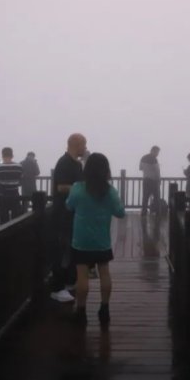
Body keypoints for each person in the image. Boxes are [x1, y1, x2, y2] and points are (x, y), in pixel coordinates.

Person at [66, 152, 125, 326]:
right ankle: (105, 309)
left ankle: (81, 311)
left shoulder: (78, 187)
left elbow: (69, 205)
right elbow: (120, 212)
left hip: (81, 240)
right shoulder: (109, 190)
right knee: (104, 272)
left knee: (82, 275)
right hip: (102, 241)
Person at [50, 133, 87, 303]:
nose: (85, 148)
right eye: (83, 145)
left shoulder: (77, 164)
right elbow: (61, 187)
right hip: (62, 213)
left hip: (73, 213)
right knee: (61, 249)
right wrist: (81, 189)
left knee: (72, 247)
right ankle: (56, 288)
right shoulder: (64, 162)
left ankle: (69, 281)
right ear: (76, 144)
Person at [0, 147, 23, 223]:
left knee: (3, 216)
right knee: (16, 216)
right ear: (12, 155)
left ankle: (3, 232)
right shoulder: (19, 166)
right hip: (15, 193)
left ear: (2, 155)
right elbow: (21, 178)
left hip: (2, 194)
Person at [139, 146, 161, 216]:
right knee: (156, 197)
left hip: (146, 180)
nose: (157, 154)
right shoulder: (154, 159)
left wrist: (147, 170)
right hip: (154, 181)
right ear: (153, 151)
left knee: (145, 197)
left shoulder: (143, 157)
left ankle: (144, 212)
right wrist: (159, 180)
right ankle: (157, 212)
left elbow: (140, 168)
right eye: (157, 152)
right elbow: (157, 171)